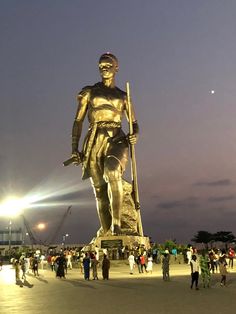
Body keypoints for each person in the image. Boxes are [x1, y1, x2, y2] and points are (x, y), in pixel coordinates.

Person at [70, 53, 139, 236]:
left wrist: (135, 134)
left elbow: (134, 122)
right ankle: (106, 229)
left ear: (116, 67)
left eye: (108, 65)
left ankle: (117, 224)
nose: (104, 68)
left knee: (112, 171)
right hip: (94, 138)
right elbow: (78, 121)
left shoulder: (124, 96)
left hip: (117, 137)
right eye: (101, 66)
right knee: (100, 190)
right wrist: (74, 148)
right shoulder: (89, 92)